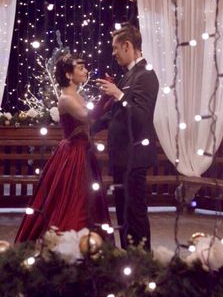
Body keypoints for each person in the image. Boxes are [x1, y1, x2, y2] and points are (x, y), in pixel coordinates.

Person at [15, 55, 110, 242]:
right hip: (72, 154)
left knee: (86, 198)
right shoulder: (65, 99)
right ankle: (69, 242)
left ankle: (87, 242)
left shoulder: (77, 94)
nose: (86, 71)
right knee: (72, 199)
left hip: (83, 152)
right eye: (80, 68)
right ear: (68, 74)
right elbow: (87, 116)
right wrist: (107, 96)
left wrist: (111, 99)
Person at [92, 24, 158, 250]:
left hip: (134, 158)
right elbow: (115, 114)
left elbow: (140, 117)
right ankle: (129, 258)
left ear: (128, 46)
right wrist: (86, 128)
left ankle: (142, 262)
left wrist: (118, 94)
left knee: (135, 213)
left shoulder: (146, 75)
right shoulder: (131, 75)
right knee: (123, 213)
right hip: (123, 158)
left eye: (115, 48)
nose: (113, 53)